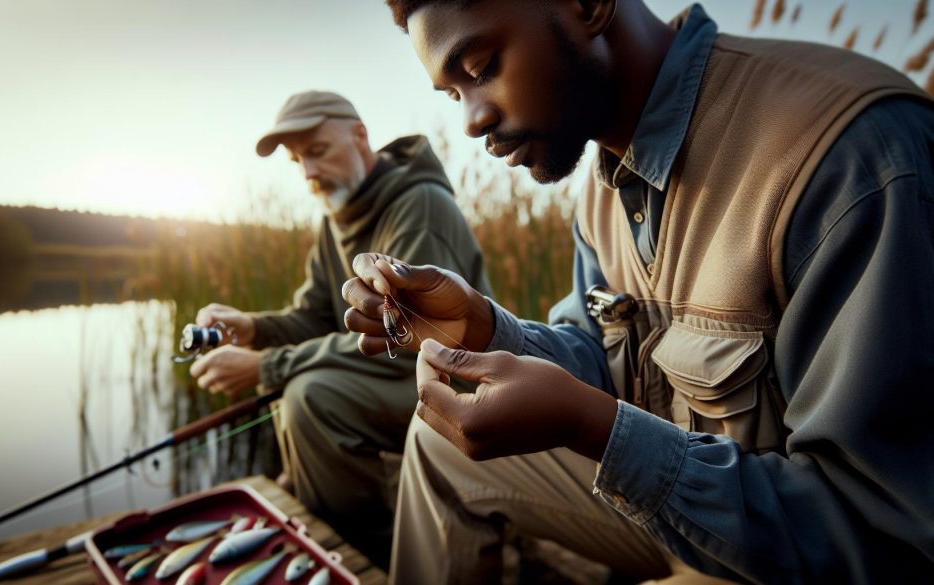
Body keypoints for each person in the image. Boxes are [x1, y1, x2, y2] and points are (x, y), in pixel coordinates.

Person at [341, 1, 934, 583]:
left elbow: (884, 536)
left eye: (481, 69)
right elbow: (602, 354)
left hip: (797, 548)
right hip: (677, 508)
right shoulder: (601, 189)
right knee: (435, 440)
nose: (471, 120)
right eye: (453, 94)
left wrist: (594, 428)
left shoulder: (848, 158)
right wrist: (485, 331)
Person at [190, 90, 490, 568]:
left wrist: (267, 365)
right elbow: (312, 318)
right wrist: (251, 328)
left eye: (317, 151)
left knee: (313, 397)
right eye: (296, 161)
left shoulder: (419, 206)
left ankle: (364, 559)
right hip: (393, 377)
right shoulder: (334, 218)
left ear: (360, 135)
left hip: (451, 382)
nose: (308, 172)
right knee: (300, 389)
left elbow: (405, 334)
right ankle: (328, 536)